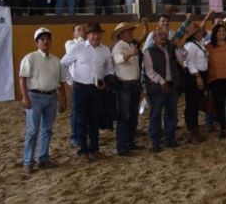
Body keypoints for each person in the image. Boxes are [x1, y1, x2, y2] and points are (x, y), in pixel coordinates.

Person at [60, 23, 114, 161]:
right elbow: (64, 63)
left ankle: (94, 149)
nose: (95, 36)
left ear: (101, 34)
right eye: (92, 34)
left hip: (97, 89)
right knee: (81, 120)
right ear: (87, 35)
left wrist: (106, 84)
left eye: (97, 33)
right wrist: (70, 81)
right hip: (80, 88)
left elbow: (109, 70)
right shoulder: (78, 47)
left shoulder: (106, 50)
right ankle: (83, 150)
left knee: (94, 120)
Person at [19, 28, 68, 174]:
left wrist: (63, 99)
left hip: (51, 97)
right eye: (42, 39)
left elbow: (61, 82)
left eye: (48, 39)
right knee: (32, 130)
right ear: (37, 42)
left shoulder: (56, 60)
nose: (45, 41)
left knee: (47, 129)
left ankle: (43, 158)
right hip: (34, 97)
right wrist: (25, 97)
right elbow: (22, 78)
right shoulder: (30, 58)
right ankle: (28, 161)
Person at [143, 27, 182, 152]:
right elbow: (149, 71)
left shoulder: (171, 48)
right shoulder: (149, 51)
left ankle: (170, 138)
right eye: (159, 34)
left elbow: (183, 58)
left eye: (164, 34)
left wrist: (180, 47)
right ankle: (155, 142)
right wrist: (161, 81)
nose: (162, 36)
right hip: (156, 87)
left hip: (171, 84)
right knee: (156, 114)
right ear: (154, 38)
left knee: (172, 113)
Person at [111, 21, 146, 156]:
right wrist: (131, 54)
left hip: (133, 84)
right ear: (121, 34)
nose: (130, 33)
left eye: (131, 31)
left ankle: (130, 142)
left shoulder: (131, 45)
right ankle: (122, 146)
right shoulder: (118, 47)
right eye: (128, 31)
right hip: (124, 85)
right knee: (124, 116)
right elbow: (119, 59)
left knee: (132, 116)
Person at [180, 23, 209, 143]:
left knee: (195, 103)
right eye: (198, 31)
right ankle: (192, 130)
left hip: (200, 74)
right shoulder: (191, 45)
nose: (201, 33)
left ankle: (194, 129)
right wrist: (197, 76)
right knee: (192, 104)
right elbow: (188, 62)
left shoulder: (198, 44)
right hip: (194, 76)